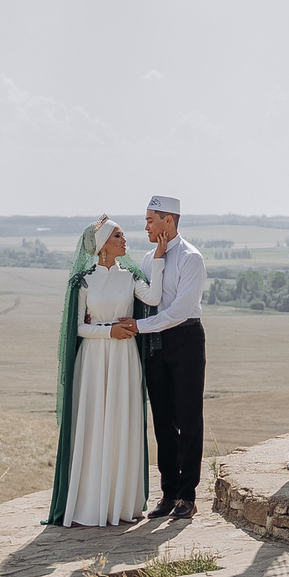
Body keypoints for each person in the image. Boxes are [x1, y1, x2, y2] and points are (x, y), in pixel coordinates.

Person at [46, 216, 154, 526]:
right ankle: (89, 504)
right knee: (93, 425)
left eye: (122, 235)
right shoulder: (83, 280)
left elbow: (155, 298)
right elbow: (76, 327)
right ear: (103, 244)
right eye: (117, 235)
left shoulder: (131, 277)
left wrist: (157, 259)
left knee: (122, 423)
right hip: (93, 361)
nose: (124, 240)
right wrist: (108, 332)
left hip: (124, 361)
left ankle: (120, 504)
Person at [113, 193, 205, 519]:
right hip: (153, 343)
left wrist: (140, 326)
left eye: (150, 220)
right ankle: (167, 494)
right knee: (162, 421)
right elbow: (142, 297)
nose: (146, 226)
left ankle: (187, 496)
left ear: (168, 220)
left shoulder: (192, 258)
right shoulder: (148, 258)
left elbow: (179, 310)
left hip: (185, 339)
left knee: (189, 418)